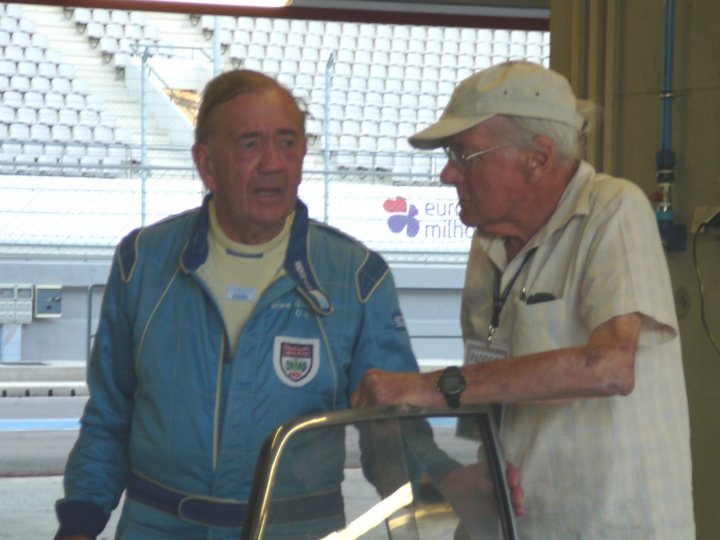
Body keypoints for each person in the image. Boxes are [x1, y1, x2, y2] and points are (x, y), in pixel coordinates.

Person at [54, 69, 421, 539]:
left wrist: (440, 488)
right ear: (206, 164)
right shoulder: (143, 263)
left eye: (288, 143)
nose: (274, 163)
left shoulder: (357, 278)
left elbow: (395, 430)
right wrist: (80, 523)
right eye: (250, 144)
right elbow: (109, 416)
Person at [352, 61, 695, 539]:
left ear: (538, 156)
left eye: (464, 155)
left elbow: (611, 367)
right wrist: (476, 478)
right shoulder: (488, 243)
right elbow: (494, 382)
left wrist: (429, 387)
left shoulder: (613, 209)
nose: (448, 174)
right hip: (513, 524)